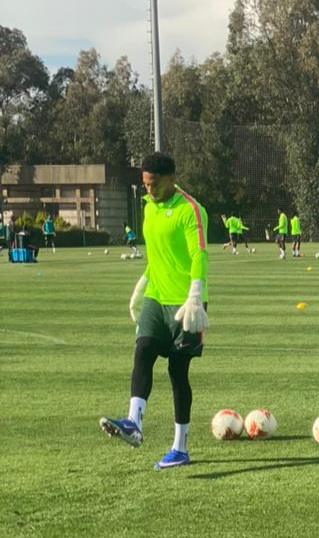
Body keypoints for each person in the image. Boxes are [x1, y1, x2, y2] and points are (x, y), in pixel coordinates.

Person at [100, 152, 209, 470]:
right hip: (155, 297)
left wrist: (195, 294)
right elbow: (156, 254)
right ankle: (134, 422)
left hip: (185, 304)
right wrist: (143, 281)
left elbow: (199, 254)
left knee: (177, 372)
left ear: (172, 179)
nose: (149, 190)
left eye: (154, 184)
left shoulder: (190, 209)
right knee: (143, 350)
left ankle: (180, 447)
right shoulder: (148, 207)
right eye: (145, 184)